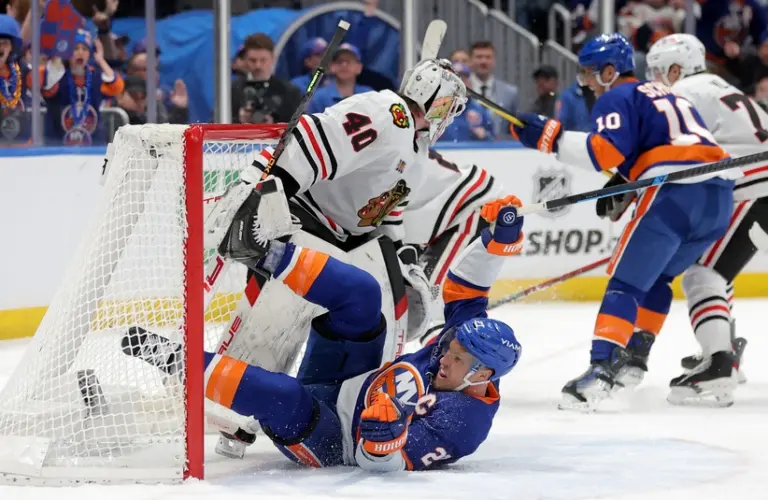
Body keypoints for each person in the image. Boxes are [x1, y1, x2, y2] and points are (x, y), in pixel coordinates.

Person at [123, 189, 525, 471]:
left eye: (458, 359)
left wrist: (382, 434)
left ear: (484, 375)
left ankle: (170, 357)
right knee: (364, 294)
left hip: (334, 440)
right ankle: (262, 251)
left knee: (280, 393)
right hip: (350, 380)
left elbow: (380, 463)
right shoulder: (467, 344)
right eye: (451, 347)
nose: (446, 356)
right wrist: (495, 242)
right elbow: (468, 289)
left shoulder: (466, 424)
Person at [509, 33, 737, 411]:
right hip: (718, 199)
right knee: (658, 279)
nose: (585, 84)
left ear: (610, 71)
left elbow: (605, 152)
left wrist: (550, 137)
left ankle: (602, 369)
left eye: (588, 74)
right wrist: (628, 181)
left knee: (625, 284)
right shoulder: (671, 94)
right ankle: (635, 354)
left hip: (675, 196)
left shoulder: (618, 95)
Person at [645, 33, 768, 405]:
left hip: (753, 187)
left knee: (702, 274)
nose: (654, 79)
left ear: (676, 68)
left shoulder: (682, 93)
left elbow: (671, 154)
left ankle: (719, 364)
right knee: (716, 270)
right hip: (757, 184)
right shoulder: (718, 87)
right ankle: (724, 347)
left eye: (657, 71)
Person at [40, 29, 123, 145]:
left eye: (84, 49)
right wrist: (58, 56)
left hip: (93, 142)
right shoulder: (57, 75)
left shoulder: (96, 76)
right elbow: (45, 86)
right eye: (75, 49)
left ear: (89, 54)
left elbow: (117, 86)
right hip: (58, 142)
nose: (80, 53)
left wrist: (101, 60)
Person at [308, 43, 372, 114]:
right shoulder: (319, 97)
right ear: (332, 66)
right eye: (339, 61)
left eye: (348, 61)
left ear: (359, 67)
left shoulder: (368, 94)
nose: (344, 65)